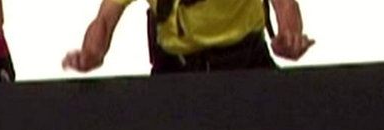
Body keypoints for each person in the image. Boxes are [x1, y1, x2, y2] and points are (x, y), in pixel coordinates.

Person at [62, 0, 313, 75]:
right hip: (173, 72)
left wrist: (290, 35)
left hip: (244, 65)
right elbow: (105, 19)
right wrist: (91, 53)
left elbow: (285, 4)